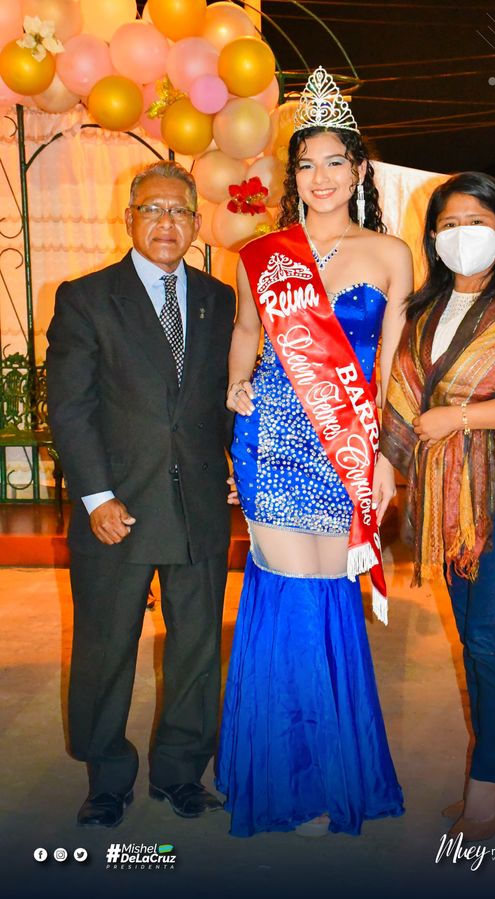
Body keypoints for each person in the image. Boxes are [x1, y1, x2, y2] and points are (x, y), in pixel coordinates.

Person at [216, 67, 412, 838]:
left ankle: (331, 770)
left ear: (359, 170)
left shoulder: (390, 253)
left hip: (346, 444)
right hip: (271, 439)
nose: (321, 177)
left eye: (335, 162)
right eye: (306, 164)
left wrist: (386, 454)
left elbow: (393, 366)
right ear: (291, 175)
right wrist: (235, 387)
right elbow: (246, 334)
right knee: (289, 591)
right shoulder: (260, 253)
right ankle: (289, 778)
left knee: (331, 594)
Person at [46, 161, 235, 828]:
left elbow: (225, 397)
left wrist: (248, 462)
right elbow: (71, 408)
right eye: (152, 209)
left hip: (199, 507)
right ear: (128, 219)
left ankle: (181, 773)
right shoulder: (86, 297)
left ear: (196, 222)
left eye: (179, 211)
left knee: (196, 650)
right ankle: (107, 779)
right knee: (105, 648)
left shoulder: (219, 300)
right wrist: (96, 497)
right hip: (117, 509)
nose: (165, 222)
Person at [381, 171, 495, 841]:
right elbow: (405, 396)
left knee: (489, 636)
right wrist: (386, 469)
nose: (463, 235)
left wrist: (458, 418)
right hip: (449, 496)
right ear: (433, 237)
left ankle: (486, 785)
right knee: (477, 638)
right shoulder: (426, 309)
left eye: (477, 222)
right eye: (449, 225)